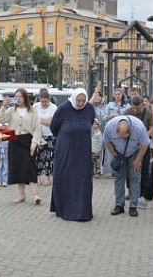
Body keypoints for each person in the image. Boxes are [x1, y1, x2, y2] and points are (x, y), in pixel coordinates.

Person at [50, 88, 95, 221]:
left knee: (82, 180)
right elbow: (54, 127)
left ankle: (82, 210)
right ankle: (64, 208)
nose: (81, 103)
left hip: (83, 151)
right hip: (66, 150)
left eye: (83, 100)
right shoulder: (63, 108)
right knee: (66, 177)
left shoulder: (89, 108)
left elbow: (90, 122)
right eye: (78, 100)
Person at [0, 88, 42, 204]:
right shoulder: (12, 110)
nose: (18, 99)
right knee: (18, 168)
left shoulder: (32, 111)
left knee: (29, 168)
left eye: (20, 96)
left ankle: (36, 194)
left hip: (27, 141)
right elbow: (1, 118)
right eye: (16, 96)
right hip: (15, 141)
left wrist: (34, 143)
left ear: (25, 98)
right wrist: (3, 106)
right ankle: (21, 194)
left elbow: (37, 128)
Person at [103, 115, 150, 217]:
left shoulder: (139, 128)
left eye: (126, 137)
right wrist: (114, 155)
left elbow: (145, 144)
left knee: (135, 178)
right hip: (118, 153)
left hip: (135, 152)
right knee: (119, 178)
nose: (123, 139)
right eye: (120, 137)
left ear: (130, 132)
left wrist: (138, 159)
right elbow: (107, 142)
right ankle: (119, 205)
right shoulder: (109, 127)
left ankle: (133, 206)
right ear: (116, 131)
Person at [124, 95, 153, 209]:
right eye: (135, 108)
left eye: (139, 108)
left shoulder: (148, 113)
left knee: (144, 169)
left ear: (143, 104)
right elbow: (121, 125)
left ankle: (141, 193)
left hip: (144, 145)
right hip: (131, 146)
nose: (136, 110)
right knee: (130, 169)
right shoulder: (127, 112)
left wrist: (144, 135)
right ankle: (131, 191)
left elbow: (152, 127)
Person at [33, 88, 58, 186]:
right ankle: (37, 177)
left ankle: (47, 177)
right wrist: (44, 120)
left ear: (49, 99)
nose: (44, 103)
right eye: (42, 101)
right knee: (37, 157)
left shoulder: (53, 107)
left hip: (50, 135)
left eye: (46, 101)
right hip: (38, 135)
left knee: (49, 157)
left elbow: (51, 123)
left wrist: (39, 120)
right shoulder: (35, 107)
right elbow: (32, 120)